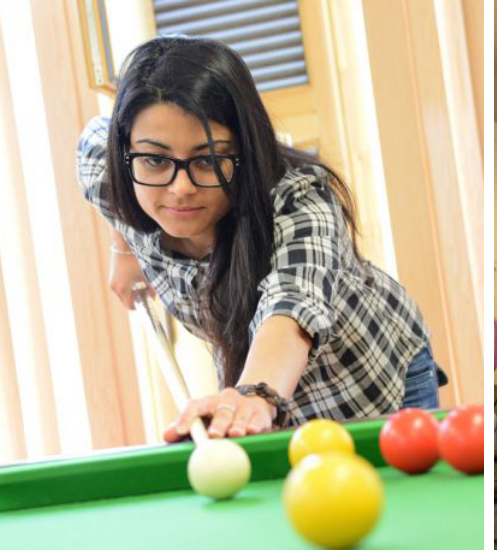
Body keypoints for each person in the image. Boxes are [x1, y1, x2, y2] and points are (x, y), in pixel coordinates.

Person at [75, 36, 443, 442]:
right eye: (156, 159)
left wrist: (251, 395)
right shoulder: (106, 167)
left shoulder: (300, 200)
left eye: (210, 159)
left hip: (368, 383)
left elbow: (291, 308)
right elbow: (94, 140)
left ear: (244, 152)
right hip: (257, 404)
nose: (180, 188)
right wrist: (123, 250)